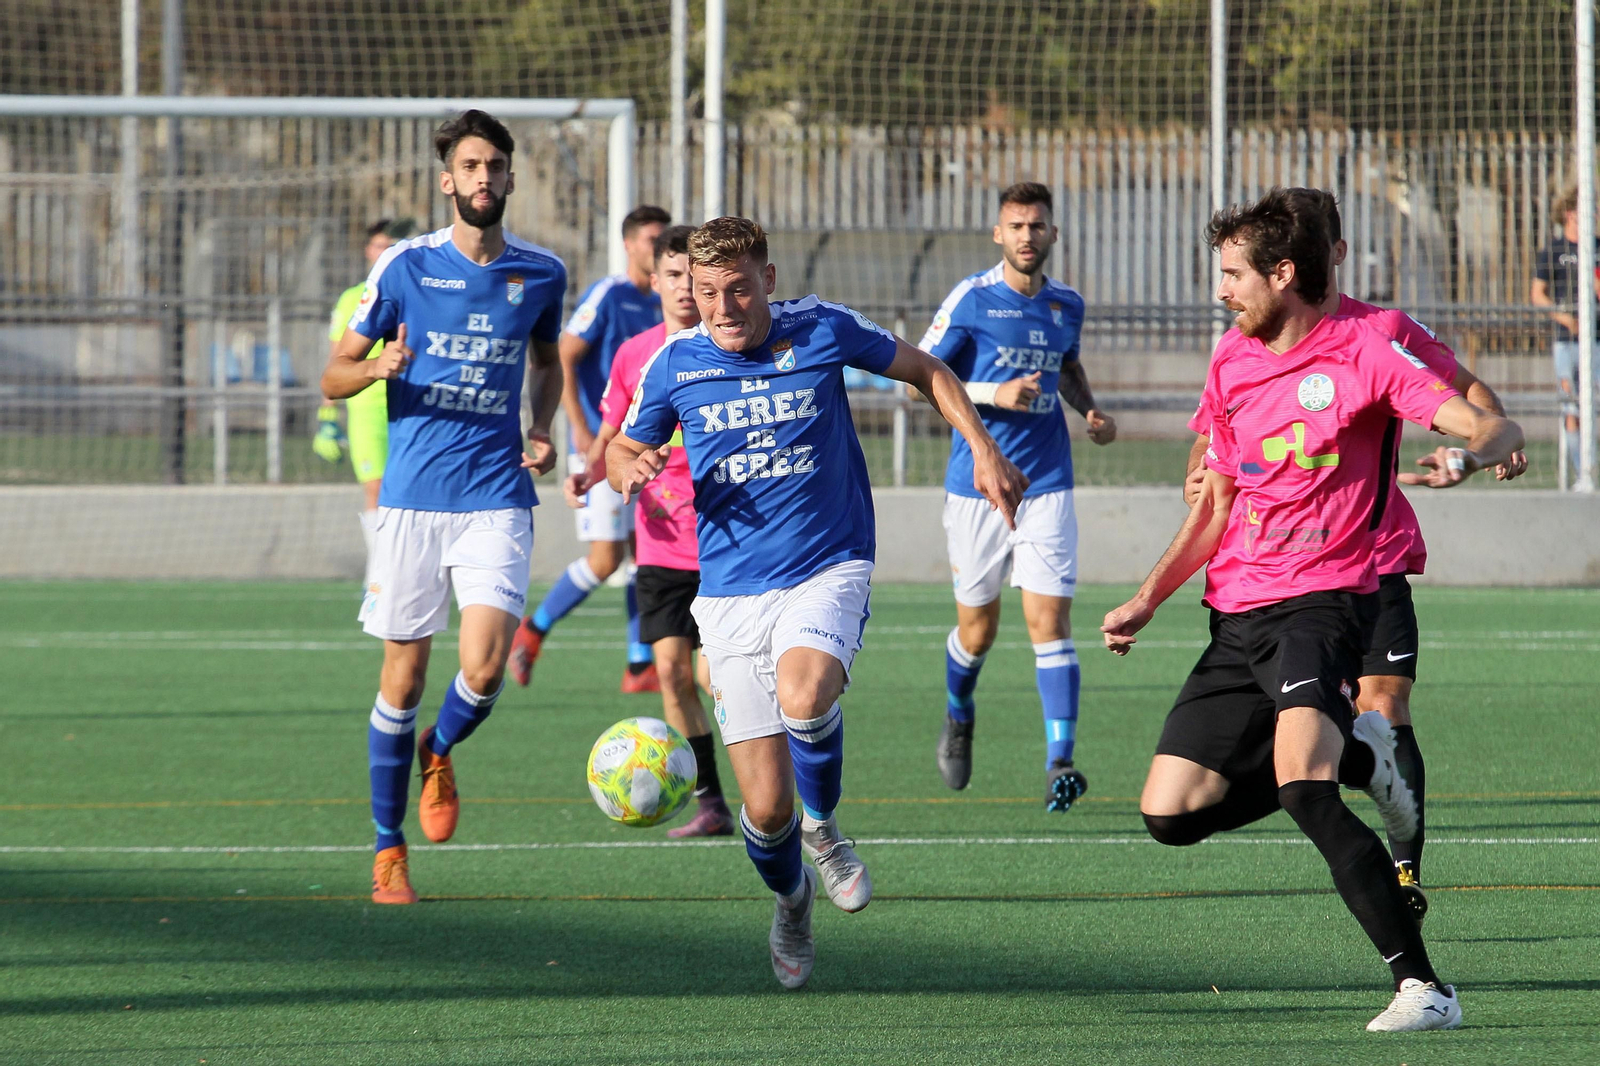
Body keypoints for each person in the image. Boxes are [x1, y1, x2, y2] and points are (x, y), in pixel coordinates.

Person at [1103, 188, 1523, 1032]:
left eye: (1233, 274)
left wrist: (1484, 445)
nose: (1222, 290)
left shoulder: (1366, 351)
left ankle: (1424, 988)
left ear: (1283, 273)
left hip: (1323, 604)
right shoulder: (1230, 361)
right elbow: (1216, 505)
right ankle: (1368, 761)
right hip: (1237, 614)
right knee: (1169, 815)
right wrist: (1149, 597)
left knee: (1304, 792)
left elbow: (1483, 424)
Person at [608, 217, 1025, 989]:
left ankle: (827, 831)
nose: (724, 307)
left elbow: (929, 369)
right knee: (765, 815)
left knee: (806, 694)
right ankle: (793, 899)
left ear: (767, 278)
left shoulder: (822, 327)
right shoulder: (675, 363)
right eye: (705, 293)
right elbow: (620, 447)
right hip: (729, 594)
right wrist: (630, 464)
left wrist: (982, 445)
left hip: (826, 564)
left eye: (738, 288)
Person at [320, 110, 566, 905]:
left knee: (485, 666)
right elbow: (332, 375)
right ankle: (388, 849)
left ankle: (442, 744)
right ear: (447, 180)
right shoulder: (402, 268)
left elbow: (547, 362)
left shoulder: (543, 274)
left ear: (510, 178)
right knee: (403, 674)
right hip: (413, 502)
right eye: (470, 165)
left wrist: (540, 427)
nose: (484, 177)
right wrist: (375, 368)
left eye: (495, 164)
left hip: (497, 493)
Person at [918, 181, 1116, 810]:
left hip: (1048, 484)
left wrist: (1089, 411)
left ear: (1053, 234)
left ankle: (1061, 759)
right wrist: (992, 395)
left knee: (1049, 623)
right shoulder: (971, 301)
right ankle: (958, 708)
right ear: (998, 234)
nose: (1027, 236)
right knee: (977, 632)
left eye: (1038, 225)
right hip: (977, 487)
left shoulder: (1067, 305)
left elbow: (1069, 368)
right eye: (1016, 226)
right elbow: (920, 377)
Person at [566, 223, 735, 837]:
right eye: (673, 275)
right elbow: (612, 434)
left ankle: (771, 784)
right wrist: (592, 473)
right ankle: (713, 803)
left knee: (717, 679)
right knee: (669, 672)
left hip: (724, 543)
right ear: (656, 281)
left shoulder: (730, 350)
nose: (684, 287)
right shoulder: (635, 354)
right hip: (661, 543)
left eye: (694, 276)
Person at [510, 205, 672, 692]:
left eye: (664, 240)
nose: (657, 248)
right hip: (606, 442)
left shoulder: (665, 300)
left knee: (645, 553)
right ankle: (533, 630)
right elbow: (564, 353)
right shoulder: (610, 294)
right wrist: (580, 427)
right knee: (606, 559)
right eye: (649, 239)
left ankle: (639, 663)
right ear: (628, 244)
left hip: (648, 445)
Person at [314, 218, 417, 582]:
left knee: (404, 488)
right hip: (365, 408)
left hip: (407, 404)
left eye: (390, 244)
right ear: (367, 250)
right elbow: (337, 359)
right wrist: (328, 416)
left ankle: (406, 569)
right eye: (377, 245)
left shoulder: (411, 290)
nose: (382, 251)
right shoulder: (351, 298)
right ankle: (380, 573)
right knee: (374, 487)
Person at [1531, 186, 1599, 485]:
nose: (1594, 216)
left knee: (1593, 406)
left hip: (1595, 340)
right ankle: (1580, 475)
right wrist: (1564, 317)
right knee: (1571, 407)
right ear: (1571, 214)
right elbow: (1537, 294)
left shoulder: (1597, 248)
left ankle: (1592, 471)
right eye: (1588, 210)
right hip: (1565, 342)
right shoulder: (1553, 250)